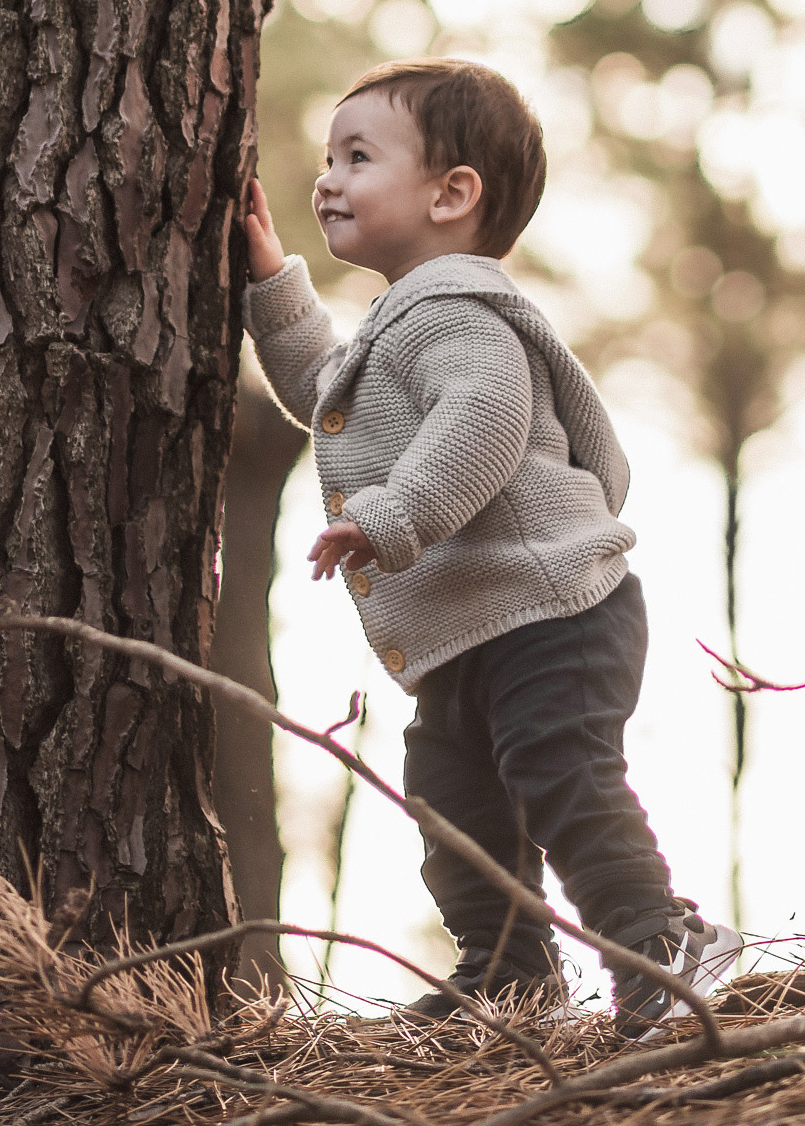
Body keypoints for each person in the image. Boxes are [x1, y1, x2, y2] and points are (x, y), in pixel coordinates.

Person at [243, 57, 741, 1031]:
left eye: (357, 156)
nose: (326, 177)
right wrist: (270, 279)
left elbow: (482, 419)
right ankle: (510, 970)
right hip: (476, 633)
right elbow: (322, 393)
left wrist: (387, 518)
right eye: (327, 157)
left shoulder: (455, 312)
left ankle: (660, 943)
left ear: (451, 192)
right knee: (453, 802)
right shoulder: (398, 324)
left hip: (554, 612)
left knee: (558, 771)